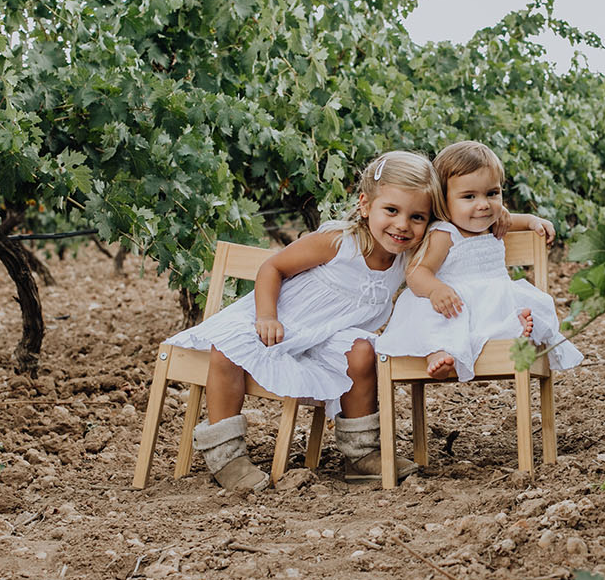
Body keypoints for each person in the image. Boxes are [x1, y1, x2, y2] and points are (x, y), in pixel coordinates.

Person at [163, 151, 436, 491]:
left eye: (417, 217)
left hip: (326, 337)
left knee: (362, 351)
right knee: (228, 350)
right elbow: (273, 267)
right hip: (280, 320)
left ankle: (361, 453)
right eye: (391, 210)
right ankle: (226, 456)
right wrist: (267, 315)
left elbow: (458, 236)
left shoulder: (408, 260)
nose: (403, 225)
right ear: (366, 205)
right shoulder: (339, 243)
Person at [376, 140, 583, 382]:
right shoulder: (445, 234)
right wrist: (435, 290)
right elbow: (416, 271)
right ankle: (437, 353)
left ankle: (511, 329)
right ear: (443, 200)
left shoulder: (494, 224)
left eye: (492, 193)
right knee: (431, 315)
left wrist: (532, 221)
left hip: (492, 302)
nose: (483, 204)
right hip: (452, 304)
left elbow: (517, 220)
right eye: (469, 196)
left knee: (511, 304)